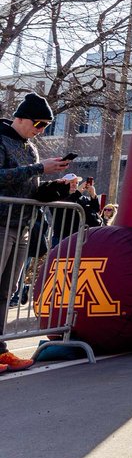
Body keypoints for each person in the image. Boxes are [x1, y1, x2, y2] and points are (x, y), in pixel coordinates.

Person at [0, 93, 69, 372]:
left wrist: (56, 188)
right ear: (20, 117)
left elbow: (30, 189)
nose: (40, 130)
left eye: (46, 126)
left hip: (22, 225)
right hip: (1, 223)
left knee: (7, 291)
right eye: (38, 124)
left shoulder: (30, 148)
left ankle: (1, 348)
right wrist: (39, 167)